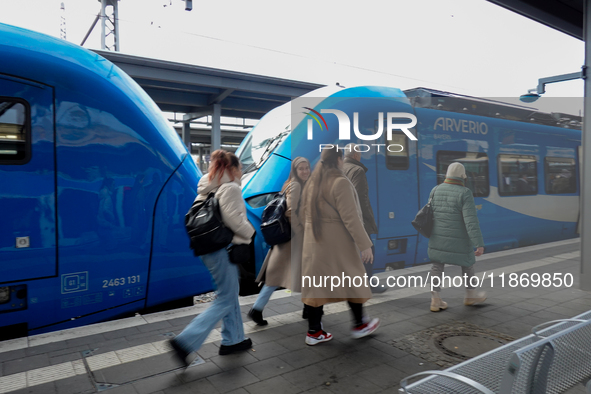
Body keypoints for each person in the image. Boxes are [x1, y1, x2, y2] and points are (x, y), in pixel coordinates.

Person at [170, 150, 255, 366]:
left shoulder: (207, 189)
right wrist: (252, 231)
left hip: (207, 250)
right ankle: (185, 341)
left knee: (229, 293)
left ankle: (233, 340)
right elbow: (235, 221)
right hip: (223, 249)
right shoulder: (231, 188)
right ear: (232, 169)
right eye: (240, 168)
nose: (242, 172)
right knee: (226, 297)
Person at [300, 146, 380, 345]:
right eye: (341, 158)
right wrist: (365, 245)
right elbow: (351, 218)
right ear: (338, 159)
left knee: (317, 287)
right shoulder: (340, 182)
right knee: (353, 281)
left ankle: (314, 332)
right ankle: (360, 325)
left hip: (314, 243)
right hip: (337, 244)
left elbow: (302, 213)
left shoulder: (313, 181)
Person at [249, 157, 311, 325]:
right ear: (295, 171)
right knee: (282, 276)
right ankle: (257, 309)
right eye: (301, 169)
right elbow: (290, 212)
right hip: (293, 240)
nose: (305, 171)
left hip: (289, 239)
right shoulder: (297, 186)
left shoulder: (291, 184)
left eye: (307, 168)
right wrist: (301, 233)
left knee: (279, 276)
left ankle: (257, 309)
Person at [428, 162, 486, 312]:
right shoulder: (465, 192)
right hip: (460, 239)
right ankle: (470, 295)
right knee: (468, 265)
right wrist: (478, 243)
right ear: (462, 177)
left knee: (437, 267)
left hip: (438, 238)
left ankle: (435, 300)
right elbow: (470, 221)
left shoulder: (435, 190)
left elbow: (430, 215)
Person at [342, 144, 385, 293]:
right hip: (357, 217)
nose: (360, 155)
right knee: (369, 248)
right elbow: (361, 198)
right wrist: (367, 220)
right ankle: (368, 284)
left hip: (342, 217)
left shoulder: (339, 168)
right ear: (355, 155)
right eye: (359, 152)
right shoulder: (357, 170)